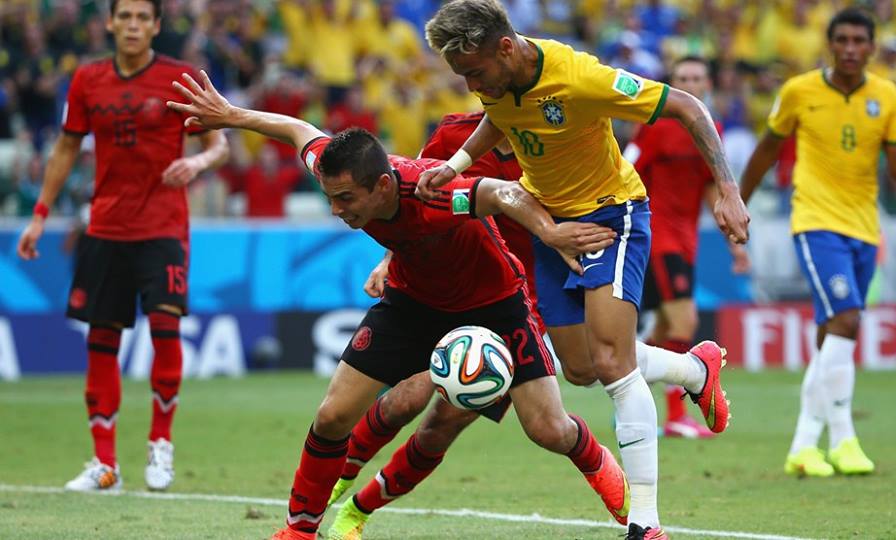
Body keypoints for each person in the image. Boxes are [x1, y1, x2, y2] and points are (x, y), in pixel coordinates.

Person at [166, 70, 630, 540]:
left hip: (495, 304)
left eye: (345, 199)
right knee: (332, 415)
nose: (336, 210)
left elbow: (501, 192)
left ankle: (599, 463)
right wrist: (231, 115)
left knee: (548, 428)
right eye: (330, 198)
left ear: (383, 187)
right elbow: (297, 129)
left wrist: (550, 232)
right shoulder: (346, 167)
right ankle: (300, 530)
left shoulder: (430, 195)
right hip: (413, 301)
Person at [417, 2, 751, 538]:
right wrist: (454, 166)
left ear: (506, 47)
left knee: (613, 364)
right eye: (464, 76)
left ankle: (645, 522)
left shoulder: (579, 77)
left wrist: (728, 190)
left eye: (475, 72)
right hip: (549, 224)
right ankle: (694, 370)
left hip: (611, 217)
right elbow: (499, 118)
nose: (472, 84)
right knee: (580, 367)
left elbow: (688, 106)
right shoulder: (495, 79)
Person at [15, 0, 228, 492]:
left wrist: (196, 164)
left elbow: (218, 144)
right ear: (110, 23)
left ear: (156, 25)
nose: (133, 25)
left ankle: (161, 444)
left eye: (142, 18)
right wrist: (39, 216)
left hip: (163, 228)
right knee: (101, 342)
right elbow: (66, 147)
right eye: (125, 16)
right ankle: (104, 463)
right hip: (106, 229)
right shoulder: (87, 80)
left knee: (165, 331)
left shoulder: (178, 79)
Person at [322, 111, 542, 537]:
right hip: (440, 290)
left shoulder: (558, 136)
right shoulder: (454, 135)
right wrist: (388, 260)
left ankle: (359, 509)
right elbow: (407, 204)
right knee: (404, 399)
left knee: (443, 423)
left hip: (513, 298)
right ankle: (339, 475)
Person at [740, 8, 896, 478]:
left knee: (832, 334)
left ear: (871, 47)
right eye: (842, 40)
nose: (850, 48)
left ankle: (803, 447)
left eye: (858, 41)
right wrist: (736, 202)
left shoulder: (886, 95)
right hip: (815, 221)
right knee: (847, 320)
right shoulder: (799, 91)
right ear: (829, 44)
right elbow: (767, 150)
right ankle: (844, 438)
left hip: (865, 228)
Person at [624, 56, 750, 439]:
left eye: (697, 78)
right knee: (685, 322)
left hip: (686, 239)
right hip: (656, 238)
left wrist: (734, 244)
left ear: (708, 84)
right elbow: (625, 171)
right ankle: (676, 416)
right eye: (683, 78)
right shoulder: (655, 126)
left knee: (664, 328)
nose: (690, 84)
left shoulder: (712, 129)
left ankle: (628, 396)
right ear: (671, 84)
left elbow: (713, 187)